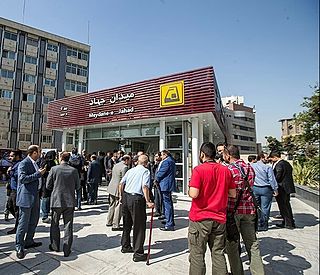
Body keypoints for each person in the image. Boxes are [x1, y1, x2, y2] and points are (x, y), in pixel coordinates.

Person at [188, 142, 236, 275]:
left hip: (200, 218)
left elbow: (194, 194)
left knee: (197, 255)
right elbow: (233, 194)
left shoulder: (199, 170)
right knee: (218, 253)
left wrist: (189, 187)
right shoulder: (225, 170)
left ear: (202, 154)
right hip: (219, 218)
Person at [223, 145, 264, 275]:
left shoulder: (228, 170)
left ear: (228, 155)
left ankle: (237, 272)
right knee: (252, 244)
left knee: (232, 245)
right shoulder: (249, 168)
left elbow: (227, 192)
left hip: (232, 211)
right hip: (249, 210)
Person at [120, 154, 154, 262]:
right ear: (146, 163)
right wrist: (148, 201)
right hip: (136, 199)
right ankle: (138, 253)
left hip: (126, 197)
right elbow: (145, 187)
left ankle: (125, 245)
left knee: (127, 223)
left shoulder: (130, 170)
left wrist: (121, 197)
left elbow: (121, 184)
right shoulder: (145, 171)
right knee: (139, 226)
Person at [46, 151, 80, 257]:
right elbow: (78, 186)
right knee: (68, 225)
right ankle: (67, 249)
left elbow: (48, 185)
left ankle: (55, 245)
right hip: (69, 201)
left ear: (61, 158)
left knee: (55, 224)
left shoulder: (54, 169)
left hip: (57, 200)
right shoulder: (73, 170)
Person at [15, 145, 46, 259]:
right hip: (26, 198)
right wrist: (38, 174)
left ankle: (29, 241)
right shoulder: (24, 163)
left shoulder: (35, 163)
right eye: (39, 152)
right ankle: (19, 245)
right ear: (33, 153)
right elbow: (22, 179)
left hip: (36, 196)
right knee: (23, 224)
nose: (40, 154)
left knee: (34, 221)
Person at [251, 153, 278, 231]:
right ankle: (264, 224)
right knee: (265, 207)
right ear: (261, 158)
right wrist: (275, 189)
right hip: (266, 189)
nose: (268, 159)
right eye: (266, 157)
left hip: (255, 188)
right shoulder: (267, 168)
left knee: (256, 207)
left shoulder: (252, 166)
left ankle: (257, 223)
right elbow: (272, 180)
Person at [269, 151, 296, 229]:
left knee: (283, 206)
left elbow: (278, 175)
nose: (271, 160)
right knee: (286, 205)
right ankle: (287, 222)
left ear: (275, 157)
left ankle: (288, 223)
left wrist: (273, 184)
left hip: (282, 188)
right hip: (287, 187)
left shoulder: (279, 164)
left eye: (271, 158)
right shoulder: (286, 163)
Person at [106, 155, 131, 231]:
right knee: (118, 206)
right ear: (126, 160)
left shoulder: (116, 165)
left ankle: (109, 221)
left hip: (112, 187)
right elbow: (123, 181)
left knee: (112, 205)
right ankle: (115, 224)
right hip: (118, 188)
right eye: (130, 160)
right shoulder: (125, 167)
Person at [154, 150, 176, 231]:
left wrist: (156, 179)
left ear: (165, 155)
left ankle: (169, 224)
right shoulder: (171, 161)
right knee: (167, 203)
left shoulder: (167, 162)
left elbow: (161, 173)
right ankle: (169, 220)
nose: (161, 156)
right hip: (166, 185)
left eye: (162, 155)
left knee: (167, 204)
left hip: (165, 185)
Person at [6, 150, 23, 234]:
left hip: (16, 190)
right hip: (12, 189)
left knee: (16, 209)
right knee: (9, 206)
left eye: (12, 156)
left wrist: (10, 171)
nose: (10, 157)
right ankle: (19, 221)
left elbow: (18, 176)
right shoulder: (14, 164)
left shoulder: (20, 164)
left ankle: (18, 226)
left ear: (17, 156)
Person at [39, 150, 57, 223]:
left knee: (47, 198)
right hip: (46, 182)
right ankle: (44, 215)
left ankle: (46, 212)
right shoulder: (47, 163)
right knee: (45, 198)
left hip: (47, 182)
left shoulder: (46, 161)